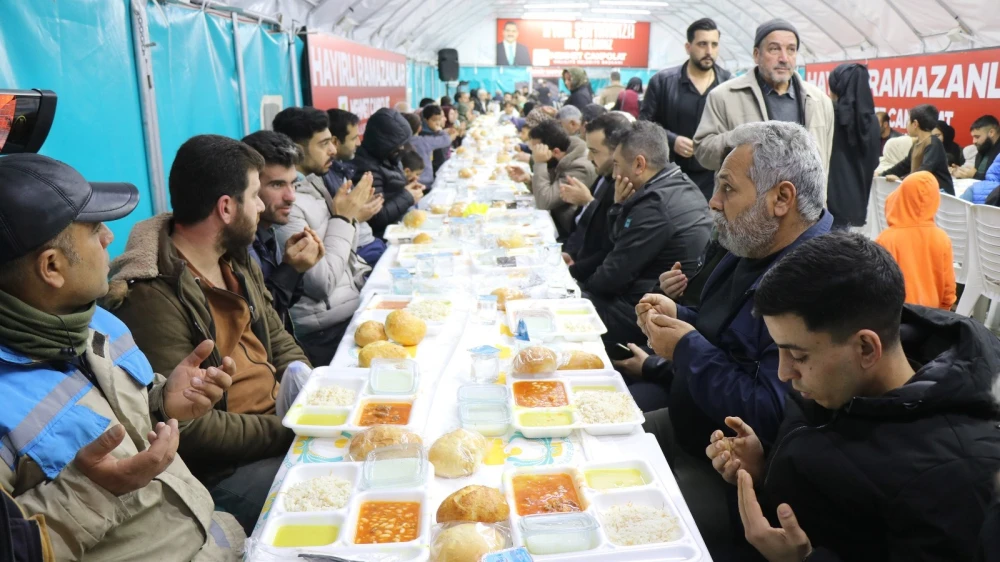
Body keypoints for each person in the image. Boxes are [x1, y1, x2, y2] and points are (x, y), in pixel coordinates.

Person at [0, 154, 245, 560]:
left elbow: (114, 413)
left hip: (215, 536)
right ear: (52, 267)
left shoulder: (97, 321)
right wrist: (93, 489)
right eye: (95, 229)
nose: (109, 238)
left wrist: (164, 402)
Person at [708, 232, 1000, 562]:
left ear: (866, 348)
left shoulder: (956, 476)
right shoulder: (837, 376)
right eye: (780, 351)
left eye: (798, 356)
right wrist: (763, 467)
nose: (784, 373)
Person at [633, 122, 832, 548]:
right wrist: (677, 316)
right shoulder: (754, 245)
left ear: (781, 199)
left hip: (726, 475)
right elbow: (722, 334)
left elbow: (768, 412)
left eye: (727, 188)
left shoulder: (813, 284)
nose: (714, 201)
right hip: (689, 423)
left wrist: (684, 347)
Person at [105, 135, 313, 534]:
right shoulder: (152, 296)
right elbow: (191, 426)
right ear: (226, 207)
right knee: (332, 493)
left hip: (281, 427)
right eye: (255, 194)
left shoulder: (234, 257)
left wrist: (311, 392)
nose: (260, 206)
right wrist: (291, 428)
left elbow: (275, 333)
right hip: (227, 469)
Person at [585, 121, 711, 350]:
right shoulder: (680, 183)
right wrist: (619, 208)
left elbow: (609, 279)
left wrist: (579, 285)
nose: (614, 174)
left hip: (650, 313)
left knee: (573, 304)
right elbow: (617, 249)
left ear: (639, 164)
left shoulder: (655, 206)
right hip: (661, 300)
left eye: (616, 165)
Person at [271, 110, 377, 367]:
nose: (333, 149)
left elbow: (345, 254)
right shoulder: (289, 205)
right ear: (297, 150)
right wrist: (345, 219)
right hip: (324, 332)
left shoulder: (316, 185)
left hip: (347, 310)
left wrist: (350, 218)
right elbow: (322, 282)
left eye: (332, 141)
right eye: (324, 143)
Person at [693, 19, 834, 183]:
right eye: (774, 49)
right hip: (746, 206)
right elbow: (703, 152)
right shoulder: (724, 96)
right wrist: (741, 138)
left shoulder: (819, 101)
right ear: (756, 54)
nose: (784, 58)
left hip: (803, 206)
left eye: (791, 50)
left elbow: (825, 164)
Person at [641, 18, 733, 200]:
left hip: (713, 178)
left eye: (714, 45)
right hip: (670, 174)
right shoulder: (662, 82)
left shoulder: (729, 85)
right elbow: (643, 124)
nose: (709, 51)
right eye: (702, 44)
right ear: (688, 47)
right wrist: (672, 140)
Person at [242, 131, 324, 332]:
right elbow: (258, 321)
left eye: (294, 184)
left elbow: (285, 305)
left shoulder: (268, 229)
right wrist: (291, 270)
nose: (291, 196)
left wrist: (296, 266)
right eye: (277, 185)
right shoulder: (237, 243)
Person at [561, 113, 631, 283]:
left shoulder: (622, 185)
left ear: (617, 152)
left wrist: (572, 271)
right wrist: (569, 254)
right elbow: (582, 226)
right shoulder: (603, 175)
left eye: (594, 151)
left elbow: (608, 248)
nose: (589, 158)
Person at [875, 171, 956, 310]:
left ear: (900, 197)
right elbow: (948, 288)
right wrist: (943, 312)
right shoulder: (942, 238)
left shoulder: (886, 239)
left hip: (895, 316)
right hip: (931, 316)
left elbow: (877, 285)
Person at [507, 120, 597, 238]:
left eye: (539, 150)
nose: (535, 155)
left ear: (555, 151)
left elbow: (545, 201)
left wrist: (540, 163)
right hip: (557, 220)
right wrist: (529, 180)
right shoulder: (562, 155)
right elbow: (550, 188)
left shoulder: (580, 167)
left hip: (570, 232)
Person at [324, 108, 386, 265]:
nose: (359, 142)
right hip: (359, 252)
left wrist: (363, 202)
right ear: (336, 142)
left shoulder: (342, 169)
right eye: (354, 138)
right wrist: (356, 216)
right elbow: (333, 228)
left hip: (369, 243)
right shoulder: (325, 177)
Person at [351, 108, 425, 238]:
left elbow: (392, 188)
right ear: (383, 142)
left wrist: (408, 186)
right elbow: (376, 217)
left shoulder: (389, 155)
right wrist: (408, 196)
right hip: (385, 236)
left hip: (399, 224)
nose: (402, 148)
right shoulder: (366, 168)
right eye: (398, 144)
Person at [825, 63, 880, 230]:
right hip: (855, 205)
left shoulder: (829, 113)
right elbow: (874, 161)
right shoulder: (872, 121)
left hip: (826, 205)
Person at [880, 104, 955, 195]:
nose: (906, 124)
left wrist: (901, 180)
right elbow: (904, 165)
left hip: (941, 195)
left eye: (908, 121)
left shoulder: (933, 143)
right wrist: (881, 175)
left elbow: (924, 171)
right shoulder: (917, 143)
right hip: (922, 191)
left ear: (915, 124)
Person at [406, 107, 456, 186]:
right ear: (420, 126)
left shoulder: (402, 142)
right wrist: (440, 131)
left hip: (408, 182)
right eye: (434, 120)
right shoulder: (424, 141)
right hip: (425, 182)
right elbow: (446, 140)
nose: (438, 123)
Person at [953, 115, 1000, 180]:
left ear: (991, 132)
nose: (974, 141)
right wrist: (962, 172)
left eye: (977, 137)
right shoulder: (984, 147)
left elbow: (996, 179)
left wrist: (975, 175)